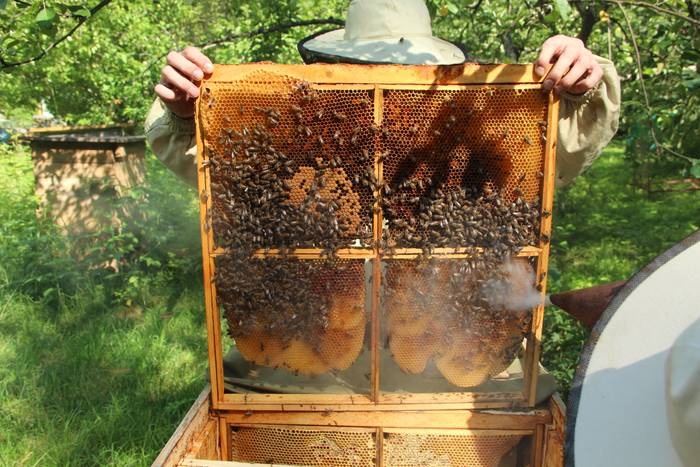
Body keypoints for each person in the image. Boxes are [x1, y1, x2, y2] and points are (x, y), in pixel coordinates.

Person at [144, 0, 620, 403]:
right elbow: (227, 170)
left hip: (447, 361)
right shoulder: (299, 137)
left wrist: (580, 83)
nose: (382, 92)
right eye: (365, 73)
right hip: (312, 358)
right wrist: (186, 115)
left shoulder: (472, 137)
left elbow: (554, 146)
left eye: (401, 75)